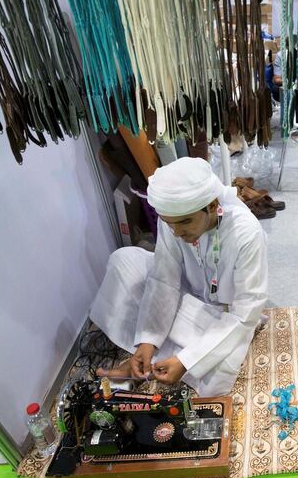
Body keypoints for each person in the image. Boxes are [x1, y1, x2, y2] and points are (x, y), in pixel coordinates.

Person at [90, 158, 268, 396]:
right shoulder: (174, 220)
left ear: (213, 206)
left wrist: (187, 360)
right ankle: (150, 360)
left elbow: (246, 312)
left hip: (225, 317)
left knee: (217, 377)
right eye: (168, 223)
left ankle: (161, 365)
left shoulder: (246, 232)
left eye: (185, 222)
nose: (178, 232)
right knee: (124, 261)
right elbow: (163, 279)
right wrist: (148, 340)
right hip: (190, 299)